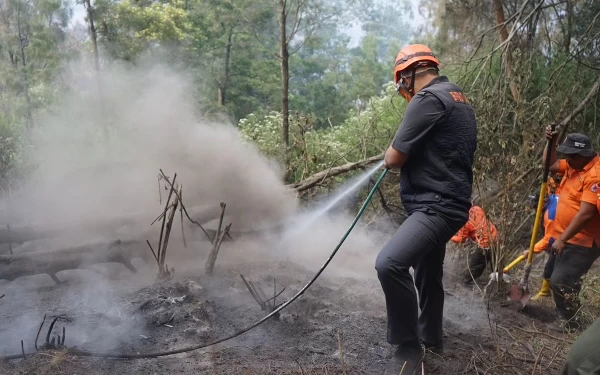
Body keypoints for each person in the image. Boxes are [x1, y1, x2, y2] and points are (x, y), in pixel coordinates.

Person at [377, 44, 477, 375]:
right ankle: (431, 339)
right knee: (427, 270)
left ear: (408, 74)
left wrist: (390, 152)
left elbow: (394, 158)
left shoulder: (428, 99)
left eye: (400, 80)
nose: (402, 87)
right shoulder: (459, 99)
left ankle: (408, 347)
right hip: (453, 203)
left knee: (390, 263)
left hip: (435, 206)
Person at [544, 128, 600, 332]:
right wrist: (551, 143)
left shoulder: (595, 175)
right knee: (555, 275)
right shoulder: (575, 166)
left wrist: (563, 239)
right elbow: (550, 165)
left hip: (583, 241)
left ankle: (572, 324)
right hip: (566, 237)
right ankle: (569, 313)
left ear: (582, 155)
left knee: (561, 281)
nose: (565, 158)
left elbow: (586, 213)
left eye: (569, 155)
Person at [522, 174, 561, 300]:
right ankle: (548, 291)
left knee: (551, 268)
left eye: (535, 203)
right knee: (552, 264)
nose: (533, 206)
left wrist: (531, 250)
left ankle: (547, 293)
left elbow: (549, 239)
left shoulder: (550, 215)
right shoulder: (552, 196)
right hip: (561, 235)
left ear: (543, 201)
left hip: (569, 240)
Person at [450, 204, 499, 284]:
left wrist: (448, 237)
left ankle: (464, 283)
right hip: (496, 240)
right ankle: (501, 286)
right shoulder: (478, 208)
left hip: (484, 245)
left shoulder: (464, 221)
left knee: (476, 267)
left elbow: (461, 239)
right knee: (498, 268)